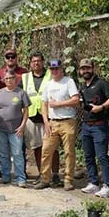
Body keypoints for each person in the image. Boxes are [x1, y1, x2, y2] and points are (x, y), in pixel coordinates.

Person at [77, 58, 109, 198]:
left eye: (88, 68)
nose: (85, 71)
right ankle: (93, 183)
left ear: (93, 69)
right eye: (83, 69)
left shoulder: (101, 83)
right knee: (88, 156)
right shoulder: (83, 87)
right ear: (80, 70)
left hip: (99, 126)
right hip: (86, 126)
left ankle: (108, 186)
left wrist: (101, 107)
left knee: (102, 156)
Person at [36, 59, 80, 191]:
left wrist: (59, 104)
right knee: (46, 151)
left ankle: (68, 179)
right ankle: (45, 179)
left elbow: (76, 99)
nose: (54, 71)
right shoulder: (48, 85)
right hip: (52, 122)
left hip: (68, 121)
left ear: (61, 69)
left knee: (69, 152)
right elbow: (44, 104)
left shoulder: (68, 82)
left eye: (56, 69)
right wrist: (46, 121)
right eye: (52, 69)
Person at [0, 70, 29, 187]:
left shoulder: (21, 93)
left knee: (17, 153)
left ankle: (20, 178)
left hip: (16, 129)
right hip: (1, 128)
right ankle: (6, 176)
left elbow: (26, 111)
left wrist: (22, 126)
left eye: (11, 78)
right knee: (3, 153)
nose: (8, 81)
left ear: (15, 79)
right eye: (6, 79)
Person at [21, 51, 50, 180]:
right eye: (33, 61)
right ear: (30, 63)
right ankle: (42, 174)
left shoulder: (50, 75)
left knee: (51, 149)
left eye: (38, 61)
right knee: (37, 148)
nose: (36, 63)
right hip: (32, 118)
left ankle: (53, 174)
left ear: (43, 62)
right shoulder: (25, 78)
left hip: (48, 118)